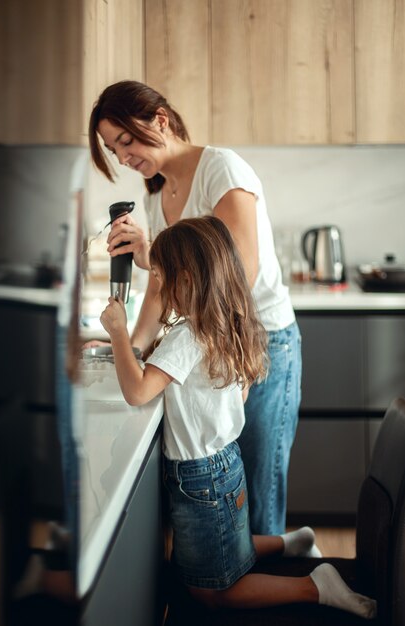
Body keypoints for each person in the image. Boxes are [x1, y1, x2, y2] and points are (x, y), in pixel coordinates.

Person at [99, 216, 375, 618]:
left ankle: (315, 587)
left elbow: (137, 390)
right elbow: (238, 393)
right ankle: (291, 542)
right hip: (225, 464)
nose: (156, 287)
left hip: (199, 479)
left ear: (188, 280)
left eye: (159, 277)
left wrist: (119, 334)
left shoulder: (187, 336)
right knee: (233, 542)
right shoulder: (227, 324)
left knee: (211, 590)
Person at [88, 80, 300, 535]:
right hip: (210, 346)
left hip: (258, 343)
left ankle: (281, 587)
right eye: (113, 149)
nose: (123, 157)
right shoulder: (156, 190)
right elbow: (163, 285)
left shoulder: (221, 169)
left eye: (125, 140)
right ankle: (241, 580)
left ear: (159, 120)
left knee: (258, 492)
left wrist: (154, 254)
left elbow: (235, 274)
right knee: (228, 495)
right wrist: (128, 344)